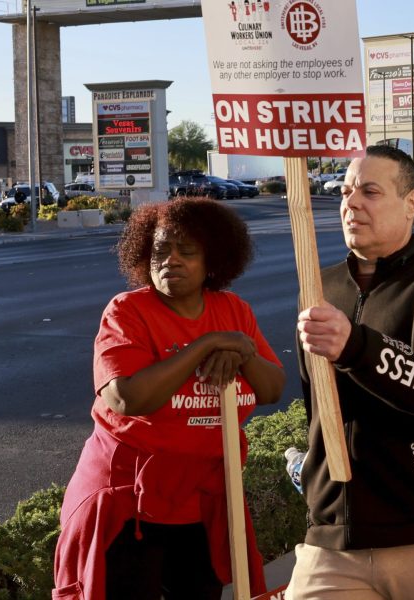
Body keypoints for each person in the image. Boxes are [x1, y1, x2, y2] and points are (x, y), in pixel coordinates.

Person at [53, 197, 285, 599]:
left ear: (213, 259)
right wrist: (208, 343)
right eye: (160, 250)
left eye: (187, 251)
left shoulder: (232, 310)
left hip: (199, 504)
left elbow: (272, 389)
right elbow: (127, 398)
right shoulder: (127, 312)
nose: (171, 260)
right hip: (129, 505)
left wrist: (243, 350)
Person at [289, 144, 414, 599]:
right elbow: (316, 405)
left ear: (410, 203)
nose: (350, 203)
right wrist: (313, 474)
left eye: (370, 192)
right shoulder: (319, 287)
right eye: (345, 191)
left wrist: (356, 347)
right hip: (334, 537)